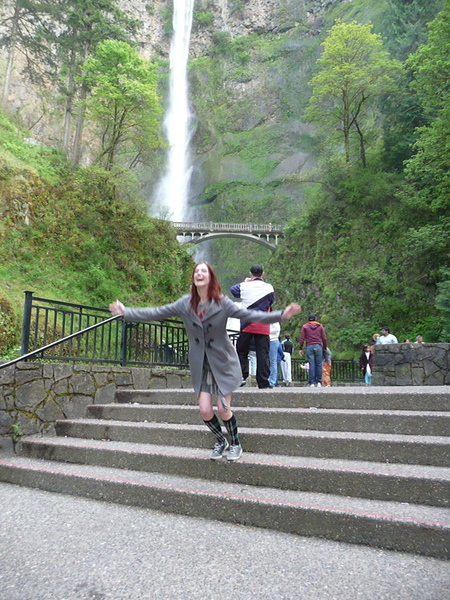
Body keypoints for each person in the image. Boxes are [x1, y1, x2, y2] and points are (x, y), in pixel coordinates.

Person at [109, 262, 301, 462]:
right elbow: (156, 312)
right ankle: (221, 441)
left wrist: (281, 315)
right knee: (204, 410)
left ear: (210, 277)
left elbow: (251, 315)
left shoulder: (222, 303)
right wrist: (127, 312)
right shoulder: (185, 303)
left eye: (204, 271)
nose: (199, 273)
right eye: (196, 271)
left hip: (222, 361)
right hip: (201, 363)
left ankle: (235, 443)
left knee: (223, 408)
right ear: (193, 277)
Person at [230, 264, 275, 389]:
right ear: (263, 274)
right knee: (263, 354)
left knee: (242, 351)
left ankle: (241, 376)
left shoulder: (244, 286)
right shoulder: (269, 287)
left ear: (251, 274)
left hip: (247, 325)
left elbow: (233, 291)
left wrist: (245, 282)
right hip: (263, 325)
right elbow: (271, 301)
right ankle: (263, 382)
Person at [298, 313, 328, 387]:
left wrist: (300, 348)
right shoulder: (320, 326)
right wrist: (324, 347)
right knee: (319, 364)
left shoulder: (305, 327)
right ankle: (319, 382)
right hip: (318, 346)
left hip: (309, 346)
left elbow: (302, 338)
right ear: (315, 319)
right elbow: (324, 338)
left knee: (311, 364)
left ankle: (311, 382)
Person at [268, 322, 282, 387]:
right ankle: (267, 379)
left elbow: (276, 329)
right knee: (266, 361)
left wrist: (266, 331)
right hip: (265, 339)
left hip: (273, 340)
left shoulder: (275, 321)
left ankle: (272, 381)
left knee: (273, 361)